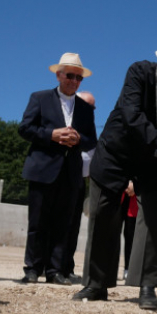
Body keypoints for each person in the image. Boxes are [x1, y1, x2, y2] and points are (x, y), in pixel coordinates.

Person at [75, 38, 157, 308]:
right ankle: (97, 283)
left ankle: (147, 286)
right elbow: (130, 114)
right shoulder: (139, 73)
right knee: (103, 214)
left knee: (153, 217)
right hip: (116, 152)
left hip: (154, 163)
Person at [19, 53, 97, 285]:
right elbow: (25, 128)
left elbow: (91, 139)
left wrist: (77, 139)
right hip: (43, 169)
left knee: (63, 224)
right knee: (38, 222)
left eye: (78, 78)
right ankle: (32, 269)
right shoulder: (40, 98)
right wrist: (51, 135)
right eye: (70, 76)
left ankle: (55, 271)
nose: (74, 81)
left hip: (70, 172)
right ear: (59, 75)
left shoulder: (85, 108)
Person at [61, 90, 96, 283]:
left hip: (80, 182)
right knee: (60, 225)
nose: (91, 109)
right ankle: (50, 266)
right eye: (88, 105)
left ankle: (67, 266)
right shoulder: (66, 123)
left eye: (92, 106)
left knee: (73, 227)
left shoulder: (89, 129)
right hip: (61, 178)